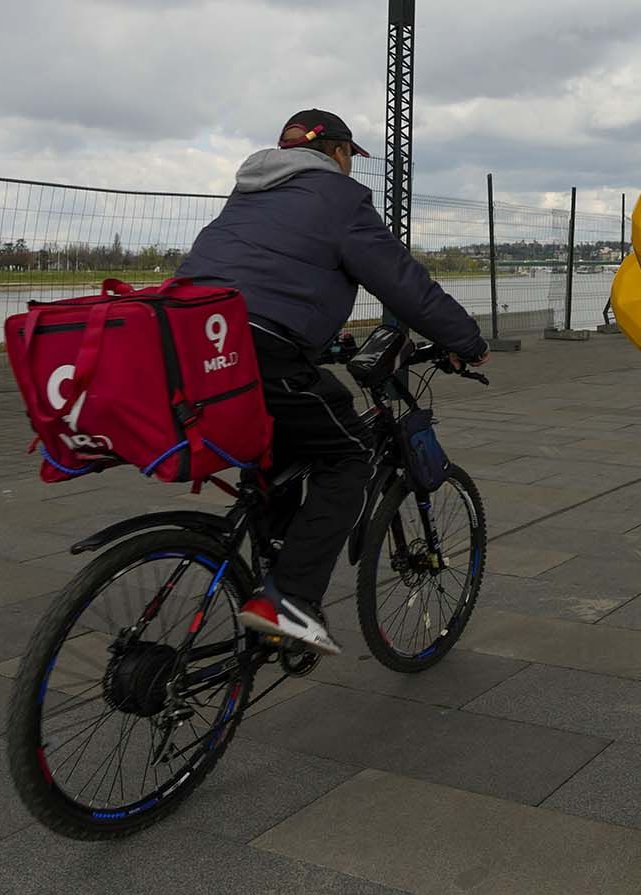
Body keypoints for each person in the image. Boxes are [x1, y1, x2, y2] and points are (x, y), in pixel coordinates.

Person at [175, 109, 490, 655]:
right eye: (351, 160)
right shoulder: (338, 198)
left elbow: (271, 275)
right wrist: (468, 342)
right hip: (259, 348)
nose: (351, 170)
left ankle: (272, 557)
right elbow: (405, 285)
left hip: (190, 342)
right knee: (347, 456)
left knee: (277, 445)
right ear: (340, 153)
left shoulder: (249, 192)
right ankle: (288, 601)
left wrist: (320, 341)